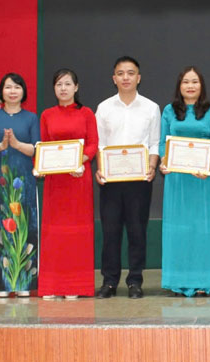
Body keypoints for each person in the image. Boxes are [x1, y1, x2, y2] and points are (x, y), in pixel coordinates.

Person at [94, 57, 161, 299]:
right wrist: (100, 169)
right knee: (110, 232)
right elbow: (100, 144)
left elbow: (154, 143)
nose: (125, 77)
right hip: (111, 180)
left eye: (130, 73)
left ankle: (135, 281)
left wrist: (151, 167)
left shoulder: (151, 108)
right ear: (114, 78)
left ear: (138, 78)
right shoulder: (104, 108)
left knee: (137, 231)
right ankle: (109, 282)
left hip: (139, 179)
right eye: (121, 73)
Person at [159, 66, 210, 297]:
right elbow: (162, 143)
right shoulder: (169, 110)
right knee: (179, 231)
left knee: (201, 230)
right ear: (179, 86)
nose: (190, 86)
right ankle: (177, 280)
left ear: (201, 85)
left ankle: (203, 281)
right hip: (177, 181)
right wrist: (164, 162)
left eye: (195, 81)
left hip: (203, 181)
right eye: (186, 81)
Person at [36, 69, 98, 299]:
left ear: (76, 87)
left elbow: (93, 144)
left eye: (67, 84)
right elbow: (43, 145)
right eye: (59, 84)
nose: (63, 88)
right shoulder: (47, 115)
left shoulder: (86, 113)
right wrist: (40, 165)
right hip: (55, 181)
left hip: (78, 178)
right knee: (54, 232)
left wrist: (79, 161)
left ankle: (75, 286)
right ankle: (52, 285)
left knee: (77, 232)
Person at [0, 73, 40, 297]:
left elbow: (36, 148)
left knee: (25, 226)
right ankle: (0, 284)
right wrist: (1, 145)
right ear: (1, 92)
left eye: (17, 87)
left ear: (23, 91)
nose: (12, 91)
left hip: (24, 180)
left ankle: (24, 283)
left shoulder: (31, 118)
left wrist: (15, 144)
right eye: (8, 87)